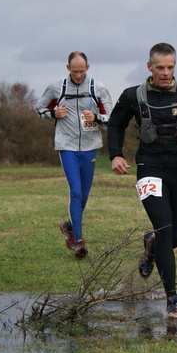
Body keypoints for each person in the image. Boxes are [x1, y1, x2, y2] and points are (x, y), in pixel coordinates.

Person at [107, 43, 177, 318]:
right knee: (165, 228)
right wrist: (116, 155)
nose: (165, 73)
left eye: (170, 67)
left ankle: (151, 244)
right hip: (149, 167)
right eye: (160, 67)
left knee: (173, 239)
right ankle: (172, 298)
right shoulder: (132, 96)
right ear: (149, 67)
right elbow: (115, 124)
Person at [35, 51, 113, 258]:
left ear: (88, 68)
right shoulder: (57, 88)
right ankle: (78, 242)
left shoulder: (98, 88)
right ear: (68, 68)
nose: (78, 76)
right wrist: (53, 114)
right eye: (74, 71)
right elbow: (39, 108)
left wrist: (96, 117)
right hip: (67, 145)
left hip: (90, 147)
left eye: (82, 71)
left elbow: (111, 118)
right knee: (76, 192)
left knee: (84, 196)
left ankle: (69, 226)